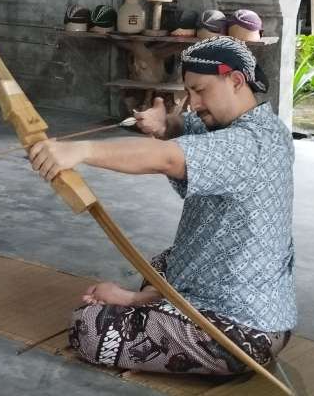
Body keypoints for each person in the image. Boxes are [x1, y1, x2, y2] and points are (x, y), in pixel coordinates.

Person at [28, 36, 295, 376]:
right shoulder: (258, 126)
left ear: (236, 80)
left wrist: (82, 151)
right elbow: (185, 127)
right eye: (188, 93)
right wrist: (163, 122)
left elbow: (169, 159)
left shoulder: (249, 143)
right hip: (255, 309)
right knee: (163, 262)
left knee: (90, 328)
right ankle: (146, 305)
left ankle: (160, 317)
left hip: (240, 332)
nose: (193, 102)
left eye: (200, 91)